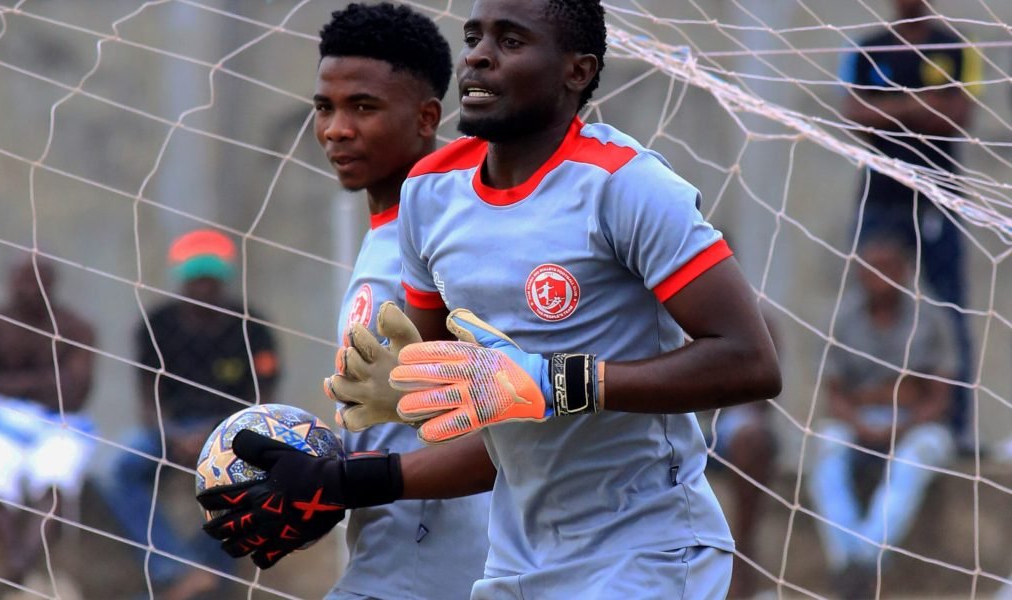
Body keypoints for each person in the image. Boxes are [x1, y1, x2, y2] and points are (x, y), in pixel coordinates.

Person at [201, 0, 781, 597]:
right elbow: (479, 423)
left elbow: (750, 362)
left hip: (645, 550)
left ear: (576, 71)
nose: (477, 55)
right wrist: (370, 447)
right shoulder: (431, 196)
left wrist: (553, 381)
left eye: (510, 41)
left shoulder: (626, 184)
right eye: (474, 36)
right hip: (513, 563)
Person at [207, 3, 490, 597]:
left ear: (426, 116)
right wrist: (304, 478)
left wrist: (342, 480)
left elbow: (506, 430)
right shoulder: (385, 234)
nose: (336, 128)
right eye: (324, 108)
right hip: (388, 556)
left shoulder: (455, 240)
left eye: (363, 106)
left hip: (451, 566)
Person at [102, 229, 279, 600]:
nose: (203, 290)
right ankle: (176, 569)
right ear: (183, 282)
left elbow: (262, 398)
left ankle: (207, 582)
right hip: (170, 430)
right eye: (196, 281)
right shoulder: (157, 324)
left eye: (211, 282)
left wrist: (216, 434)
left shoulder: (251, 326)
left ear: (223, 281)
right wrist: (169, 434)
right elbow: (147, 396)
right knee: (120, 470)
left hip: (231, 431)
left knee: (239, 483)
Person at [838, 0, 980, 446]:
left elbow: (958, 115)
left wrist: (889, 109)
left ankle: (953, 430)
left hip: (938, 198)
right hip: (880, 199)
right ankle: (861, 422)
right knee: (868, 303)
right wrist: (919, 104)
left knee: (949, 307)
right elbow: (852, 113)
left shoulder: (954, 46)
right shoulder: (867, 48)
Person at [809, 233, 955, 599]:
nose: (879, 275)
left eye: (888, 266)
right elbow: (834, 397)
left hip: (918, 424)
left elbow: (938, 398)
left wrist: (903, 420)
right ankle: (854, 566)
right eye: (871, 267)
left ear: (905, 269)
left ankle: (861, 562)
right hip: (859, 422)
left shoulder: (930, 317)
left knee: (911, 463)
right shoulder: (843, 318)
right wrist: (868, 414)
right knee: (825, 449)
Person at [0, 258, 97, 586]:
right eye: (22, 283)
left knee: (56, 476)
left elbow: (76, 393)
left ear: (52, 287)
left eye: (38, 283)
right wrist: (44, 382)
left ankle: (23, 564)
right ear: (9, 284)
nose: (30, 291)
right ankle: (16, 565)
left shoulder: (75, 328)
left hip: (59, 425)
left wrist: (7, 383)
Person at [706, 308, 781, 599]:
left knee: (752, 436)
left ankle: (743, 556)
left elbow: (762, 387)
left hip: (724, 422)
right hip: (663, 416)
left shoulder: (752, 317)